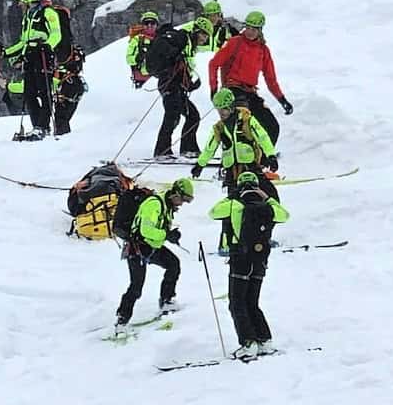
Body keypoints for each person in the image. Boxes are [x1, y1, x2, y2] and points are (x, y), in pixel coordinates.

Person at [208, 171, 290, 361]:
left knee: (237, 302)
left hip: (240, 259)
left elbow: (213, 212)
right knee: (252, 301)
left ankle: (248, 343)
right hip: (260, 260)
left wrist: (232, 195)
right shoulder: (267, 207)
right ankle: (264, 340)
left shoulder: (234, 204)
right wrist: (268, 199)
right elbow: (285, 216)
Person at [116, 177, 195, 325]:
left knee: (173, 264)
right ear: (175, 194)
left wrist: (170, 234)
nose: (182, 204)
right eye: (183, 200)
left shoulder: (167, 206)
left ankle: (167, 300)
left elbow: (158, 228)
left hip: (151, 247)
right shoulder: (154, 204)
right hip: (137, 248)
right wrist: (167, 235)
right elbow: (146, 230)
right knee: (136, 287)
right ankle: (122, 320)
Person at [208, 10, 293, 145]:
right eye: (247, 27)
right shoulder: (235, 43)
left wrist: (282, 100)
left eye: (254, 29)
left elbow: (271, 79)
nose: (250, 31)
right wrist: (214, 90)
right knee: (242, 124)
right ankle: (237, 155)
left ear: (260, 30)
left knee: (272, 126)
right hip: (233, 89)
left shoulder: (263, 50)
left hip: (250, 92)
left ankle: (262, 157)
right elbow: (213, 64)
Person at [191, 88, 279, 200]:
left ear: (231, 107)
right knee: (233, 202)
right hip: (232, 172)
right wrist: (200, 164)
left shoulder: (247, 121)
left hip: (250, 167)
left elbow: (263, 137)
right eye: (218, 110)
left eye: (224, 109)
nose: (221, 113)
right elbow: (210, 147)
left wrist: (271, 155)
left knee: (270, 194)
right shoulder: (219, 127)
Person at [3, 0, 62, 140]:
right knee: (29, 94)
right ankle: (36, 126)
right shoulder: (28, 16)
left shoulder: (48, 12)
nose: (19, 3)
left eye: (21, 0)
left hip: (43, 55)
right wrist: (6, 53)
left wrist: (47, 47)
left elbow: (56, 34)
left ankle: (43, 127)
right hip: (30, 55)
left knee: (44, 93)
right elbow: (24, 41)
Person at [152, 19, 211, 159]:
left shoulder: (189, 45)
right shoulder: (182, 38)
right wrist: (173, 54)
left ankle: (187, 148)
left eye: (207, 35)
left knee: (192, 116)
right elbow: (164, 49)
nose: (205, 38)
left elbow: (182, 68)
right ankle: (162, 151)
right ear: (197, 31)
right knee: (172, 116)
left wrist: (190, 85)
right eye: (204, 34)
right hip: (168, 83)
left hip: (176, 85)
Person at [53, 46, 87, 136]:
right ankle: (62, 134)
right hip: (72, 85)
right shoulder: (70, 50)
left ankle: (62, 136)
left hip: (70, 84)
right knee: (62, 116)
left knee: (61, 115)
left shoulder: (65, 52)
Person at [126, 11, 158, 88]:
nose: (149, 25)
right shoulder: (137, 40)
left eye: (152, 23)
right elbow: (128, 59)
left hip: (159, 79)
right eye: (146, 23)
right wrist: (137, 58)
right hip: (142, 80)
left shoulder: (161, 39)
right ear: (143, 25)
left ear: (157, 25)